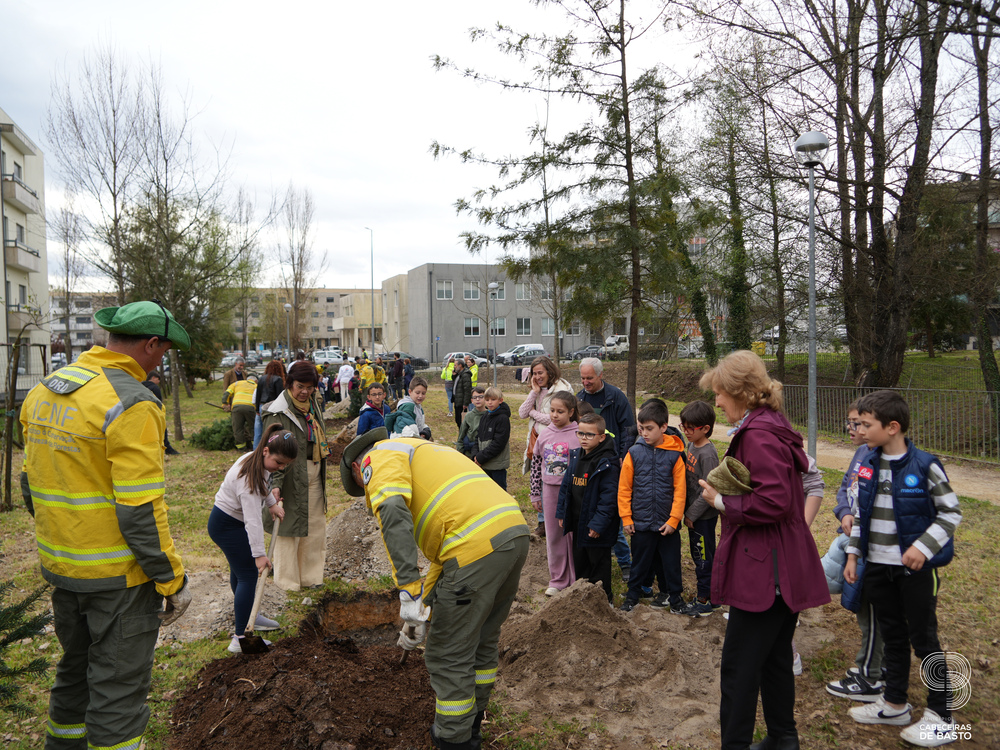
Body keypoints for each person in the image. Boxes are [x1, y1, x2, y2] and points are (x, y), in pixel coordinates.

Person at [21, 300, 192, 750]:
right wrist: (172, 581)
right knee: (117, 692)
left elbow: (29, 485)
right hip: (118, 581)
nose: (162, 361)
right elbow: (140, 512)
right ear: (151, 344)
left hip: (63, 569)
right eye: (164, 351)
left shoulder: (45, 391)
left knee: (75, 671)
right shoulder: (132, 402)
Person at [340, 428, 530, 750]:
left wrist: (408, 591)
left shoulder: (378, 456)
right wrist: (423, 611)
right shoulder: (423, 451)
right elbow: (445, 559)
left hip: (474, 549)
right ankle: (472, 723)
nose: (367, 489)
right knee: (482, 638)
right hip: (512, 535)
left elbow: (392, 512)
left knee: (448, 652)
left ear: (358, 468)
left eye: (362, 487)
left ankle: (453, 739)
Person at [697, 350, 830, 750]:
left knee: (739, 669)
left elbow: (774, 501)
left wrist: (721, 501)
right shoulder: (771, 424)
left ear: (739, 391)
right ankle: (782, 738)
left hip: (766, 572)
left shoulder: (758, 434)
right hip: (780, 564)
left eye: (720, 392)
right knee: (775, 660)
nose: (717, 401)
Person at [844, 390, 962, 746]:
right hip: (878, 568)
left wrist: (922, 548)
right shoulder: (867, 464)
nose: (859, 431)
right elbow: (861, 514)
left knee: (924, 640)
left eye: (866, 425)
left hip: (914, 573)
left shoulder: (925, 465)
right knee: (892, 636)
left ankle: (942, 715)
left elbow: (950, 512)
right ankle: (894, 703)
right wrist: (853, 555)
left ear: (892, 427)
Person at [208, 423, 296, 653]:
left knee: (240, 572)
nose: (280, 468)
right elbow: (253, 521)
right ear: (266, 451)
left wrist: (272, 504)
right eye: (279, 462)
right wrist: (259, 555)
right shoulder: (248, 480)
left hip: (229, 522)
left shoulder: (258, 461)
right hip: (226, 525)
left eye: (285, 465)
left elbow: (265, 484)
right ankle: (240, 638)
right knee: (248, 574)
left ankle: (250, 616)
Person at [824, 402, 885, 703]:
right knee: (860, 605)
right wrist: (844, 512)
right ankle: (876, 666)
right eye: (850, 422)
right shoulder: (861, 453)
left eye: (858, 423)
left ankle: (871, 675)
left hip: (869, 550)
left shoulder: (885, 460)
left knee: (870, 613)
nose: (851, 429)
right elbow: (844, 491)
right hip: (850, 543)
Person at [261, 360, 330, 591]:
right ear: (290, 383)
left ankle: (311, 577)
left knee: (315, 525)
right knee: (289, 526)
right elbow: (273, 451)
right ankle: (287, 581)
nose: (304, 392)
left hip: (314, 471)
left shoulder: (313, 405)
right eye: (300, 386)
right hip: (289, 474)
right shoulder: (278, 411)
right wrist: (275, 484)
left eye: (310, 388)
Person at [618, 399, 691, 614]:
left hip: (667, 524)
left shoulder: (675, 454)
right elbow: (624, 489)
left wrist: (674, 520)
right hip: (640, 523)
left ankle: (676, 600)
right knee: (639, 562)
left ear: (663, 427)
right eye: (641, 428)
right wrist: (626, 518)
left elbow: (680, 491)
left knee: (671, 564)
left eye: (649, 429)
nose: (644, 433)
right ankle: (632, 596)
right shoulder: (634, 452)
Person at [577, 357, 634, 579]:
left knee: (610, 514)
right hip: (588, 463)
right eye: (583, 378)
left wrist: (622, 457)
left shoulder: (616, 397)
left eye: (590, 378)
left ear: (601, 375)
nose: (585, 382)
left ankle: (625, 561)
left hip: (611, 463)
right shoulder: (579, 398)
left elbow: (628, 430)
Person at [556, 413, 621, 602]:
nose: (584, 438)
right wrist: (562, 512)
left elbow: (608, 499)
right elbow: (566, 487)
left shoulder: (607, 462)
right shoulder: (577, 455)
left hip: (596, 527)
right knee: (581, 562)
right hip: (578, 522)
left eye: (589, 434)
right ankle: (583, 600)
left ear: (601, 437)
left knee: (598, 565)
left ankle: (604, 601)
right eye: (580, 433)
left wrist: (598, 524)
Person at [530, 391, 580, 595]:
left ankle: (576, 578)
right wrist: (535, 493)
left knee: (573, 533)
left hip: (574, 492)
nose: (555, 415)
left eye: (560, 411)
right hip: (550, 491)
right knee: (553, 535)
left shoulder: (579, 434)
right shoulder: (544, 434)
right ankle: (558, 579)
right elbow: (536, 465)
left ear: (571, 412)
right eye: (552, 410)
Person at [518, 356, 573, 539]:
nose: (537, 376)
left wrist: (534, 413)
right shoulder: (537, 390)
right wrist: (534, 393)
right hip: (537, 441)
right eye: (534, 373)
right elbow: (522, 413)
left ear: (549, 371)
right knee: (539, 478)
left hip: (556, 444)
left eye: (540, 372)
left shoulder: (561, 389)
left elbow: (553, 419)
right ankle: (543, 522)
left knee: (553, 480)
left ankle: (558, 519)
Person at [679, 400, 720, 616]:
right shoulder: (692, 445)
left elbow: (709, 490)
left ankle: (704, 600)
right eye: (683, 426)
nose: (686, 431)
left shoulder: (708, 454)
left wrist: (691, 514)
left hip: (702, 517)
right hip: (693, 515)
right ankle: (713, 597)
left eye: (690, 428)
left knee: (703, 557)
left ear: (705, 428)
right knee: (699, 555)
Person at [475, 386, 511, 490]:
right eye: (487, 400)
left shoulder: (503, 418)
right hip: (484, 463)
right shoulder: (485, 416)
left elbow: (499, 443)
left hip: (497, 465)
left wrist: (481, 457)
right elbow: (478, 437)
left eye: (493, 399)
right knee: (486, 490)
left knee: (499, 491)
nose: (490, 402)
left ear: (500, 400)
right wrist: (475, 455)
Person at [142, 370, 180, 455]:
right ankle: (167, 448)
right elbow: (159, 402)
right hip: (154, 412)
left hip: (143, 413)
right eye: (158, 379)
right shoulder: (155, 388)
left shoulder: (141, 386)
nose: (159, 382)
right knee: (163, 429)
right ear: (153, 378)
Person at [253, 360, 286, 450]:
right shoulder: (278, 379)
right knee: (271, 431)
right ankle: (271, 450)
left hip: (261, 406)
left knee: (258, 432)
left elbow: (258, 394)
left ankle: (255, 451)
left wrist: (257, 409)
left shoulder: (262, 378)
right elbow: (280, 396)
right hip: (272, 407)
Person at [224, 373, 258, 451]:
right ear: (256, 380)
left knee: (238, 428)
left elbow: (227, 393)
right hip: (250, 408)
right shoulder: (256, 386)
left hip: (236, 407)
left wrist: (225, 404)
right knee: (253, 427)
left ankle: (241, 448)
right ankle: (254, 447)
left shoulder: (237, 383)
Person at [456, 386, 487, 457]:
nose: (478, 399)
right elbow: (461, 437)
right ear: (472, 401)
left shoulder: (490, 415)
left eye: (481, 397)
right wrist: (460, 453)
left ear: (486, 399)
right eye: (475, 397)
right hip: (469, 454)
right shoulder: (469, 416)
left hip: (484, 453)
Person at [452, 358, 473, 430]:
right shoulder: (459, 374)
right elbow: (456, 385)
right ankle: (461, 434)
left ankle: (463, 435)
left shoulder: (465, 375)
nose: (454, 367)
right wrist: (454, 375)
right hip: (457, 400)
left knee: (462, 421)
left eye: (455, 365)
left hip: (461, 402)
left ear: (460, 365)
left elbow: (467, 390)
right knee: (458, 420)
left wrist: (465, 403)